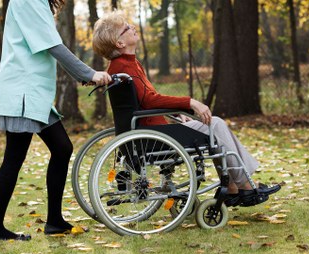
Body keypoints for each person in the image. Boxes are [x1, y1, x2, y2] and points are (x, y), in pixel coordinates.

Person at [92, 12, 280, 207]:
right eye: (126, 27)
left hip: (153, 131)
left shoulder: (129, 65)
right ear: (119, 43)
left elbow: (146, 100)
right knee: (214, 125)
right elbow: (149, 100)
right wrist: (189, 102)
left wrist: (176, 113)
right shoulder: (124, 67)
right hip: (153, 137)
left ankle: (235, 186)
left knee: (215, 124)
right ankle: (244, 187)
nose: (132, 27)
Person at [0, 0, 111, 241]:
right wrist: (89, 73)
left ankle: (54, 221)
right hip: (24, 91)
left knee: (62, 148)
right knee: (14, 157)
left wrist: (84, 75)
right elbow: (53, 45)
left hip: (35, 93)